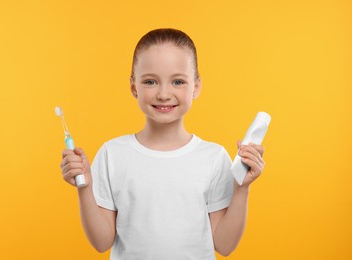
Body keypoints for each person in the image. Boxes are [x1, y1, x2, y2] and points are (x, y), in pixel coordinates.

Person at [60, 28, 265, 260]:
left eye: (178, 81)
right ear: (133, 87)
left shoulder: (214, 157)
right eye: (150, 82)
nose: (164, 94)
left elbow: (225, 245)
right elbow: (101, 242)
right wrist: (84, 189)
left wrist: (242, 188)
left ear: (196, 87)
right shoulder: (112, 154)